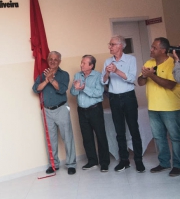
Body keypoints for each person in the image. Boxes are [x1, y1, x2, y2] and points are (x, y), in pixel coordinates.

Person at [101, 35, 145, 173]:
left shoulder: (131, 59)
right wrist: (107, 73)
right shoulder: (107, 61)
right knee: (119, 131)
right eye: (110, 44)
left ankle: (138, 160)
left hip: (128, 97)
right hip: (114, 98)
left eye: (112, 44)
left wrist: (116, 71)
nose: (110, 47)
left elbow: (131, 78)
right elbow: (103, 82)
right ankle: (124, 160)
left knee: (134, 129)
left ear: (120, 46)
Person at [138, 37, 180, 177]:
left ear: (163, 50)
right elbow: (140, 83)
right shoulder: (149, 62)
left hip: (171, 108)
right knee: (159, 137)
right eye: (151, 47)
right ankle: (164, 163)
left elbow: (170, 84)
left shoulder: (173, 63)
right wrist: (144, 76)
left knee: (175, 137)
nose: (151, 50)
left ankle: (178, 165)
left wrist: (152, 75)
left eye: (154, 48)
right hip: (153, 107)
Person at [32, 51, 77, 175]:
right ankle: (53, 164)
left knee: (67, 137)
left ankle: (71, 164)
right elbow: (36, 89)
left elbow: (62, 89)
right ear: (48, 60)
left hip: (61, 109)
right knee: (51, 140)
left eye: (55, 59)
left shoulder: (64, 74)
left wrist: (52, 80)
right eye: (50, 59)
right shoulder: (42, 75)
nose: (52, 61)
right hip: (47, 111)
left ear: (59, 61)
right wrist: (46, 80)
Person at [71, 55, 110, 172]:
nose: (81, 65)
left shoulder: (98, 76)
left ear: (91, 65)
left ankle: (104, 162)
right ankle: (92, 161)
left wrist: (83, 88)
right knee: (86, 137)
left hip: (95, 109)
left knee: (100, 136)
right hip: (82, 111)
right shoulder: (77, 75)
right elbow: (73, 93)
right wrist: (76, 88)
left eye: (84, 63)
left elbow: (99, 93)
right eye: (81, 62)